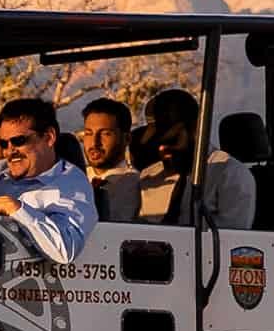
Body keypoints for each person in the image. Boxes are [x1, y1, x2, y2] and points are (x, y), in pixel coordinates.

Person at [0, 96, 96, 263]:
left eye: (19, 141)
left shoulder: (70, 184)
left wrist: (14, 207)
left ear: (49, 137)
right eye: (4, 144)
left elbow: (65, 249)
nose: (10, 152)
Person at [135, 90, 257, 228]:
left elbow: (230, 241)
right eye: (156, 143)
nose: (162, 149)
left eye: (172, 140)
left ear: (195, 129)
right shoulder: (148, 177)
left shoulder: (229, 175)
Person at [77, 97, 143, 223]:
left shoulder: (139, 186)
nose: (95, 143)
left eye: (105, 134)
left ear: (127, 139)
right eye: (88, 133)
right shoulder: (73, 180)